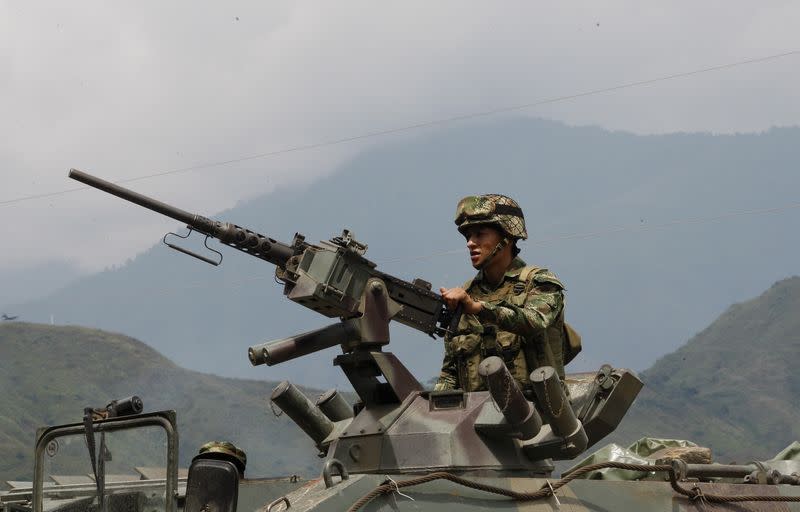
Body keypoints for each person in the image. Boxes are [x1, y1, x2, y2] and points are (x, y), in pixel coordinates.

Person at [434, 194, 575, 392]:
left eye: (480, 234)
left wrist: (478, 308)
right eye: (468, 236)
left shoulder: (539, 283)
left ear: (507, 237)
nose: (470, 243)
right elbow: (450, 373)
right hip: (476, 417)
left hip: (539, 416)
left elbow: (533, 321)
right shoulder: (466, 293)